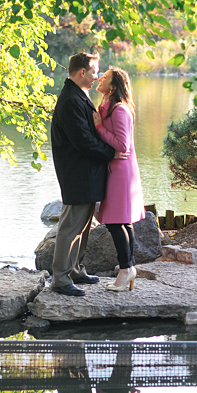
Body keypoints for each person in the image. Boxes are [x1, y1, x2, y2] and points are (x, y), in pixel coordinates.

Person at [50, 52, 126, 296]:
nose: (96, 77)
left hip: (87, 173)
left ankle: (75, 270)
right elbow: (83, 141)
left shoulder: (78, 96)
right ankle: (60, 279)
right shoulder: (71, 100)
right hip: (77, 173)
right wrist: (111, 153)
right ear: (82, 72)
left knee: (83, 226)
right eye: (94, 72)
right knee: (71, 226)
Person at [92, 67, 145, 292]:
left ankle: (125, 270)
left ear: (113, 86)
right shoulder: (107, 106)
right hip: (115, 168)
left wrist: (98, 127)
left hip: (121, 172)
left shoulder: (120, 110)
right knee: (122, 221)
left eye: (105, 77)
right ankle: (128, 269)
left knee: (116, 222)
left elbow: (123, 145)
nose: (100, 78)